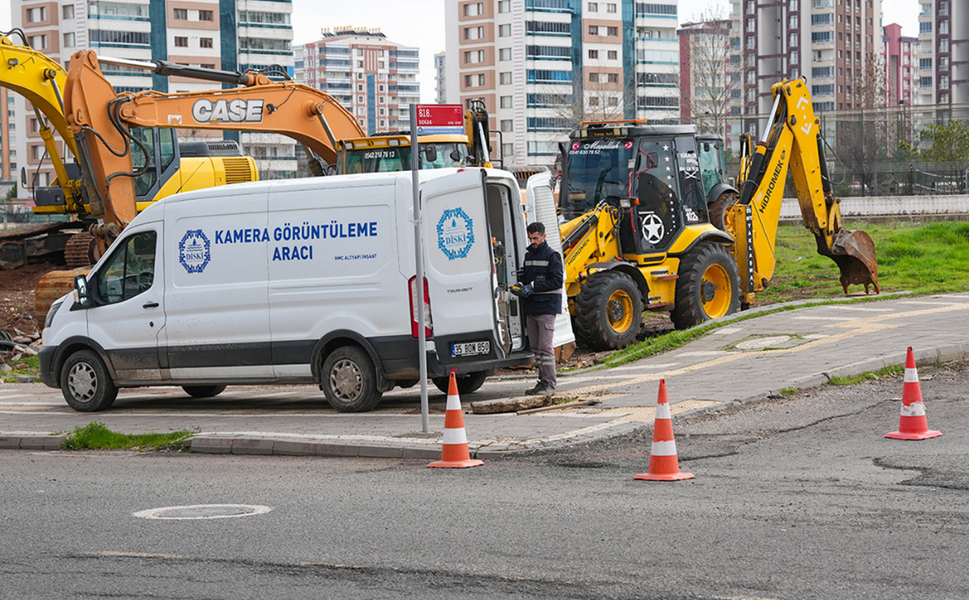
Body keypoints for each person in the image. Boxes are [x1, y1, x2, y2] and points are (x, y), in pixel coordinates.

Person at [511, 222, 564, 396]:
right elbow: (527, 279)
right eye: (530, 238)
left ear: (543, 236)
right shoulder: (528, 256)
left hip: (547, 307)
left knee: (545, 347)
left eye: (535, 238)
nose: (532, 241)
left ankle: (549, 383)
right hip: (532, 308)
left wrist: (533, 286)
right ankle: (542, 382)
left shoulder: (552, 255)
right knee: (536, 347)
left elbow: (557, 281)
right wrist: (521, 286)